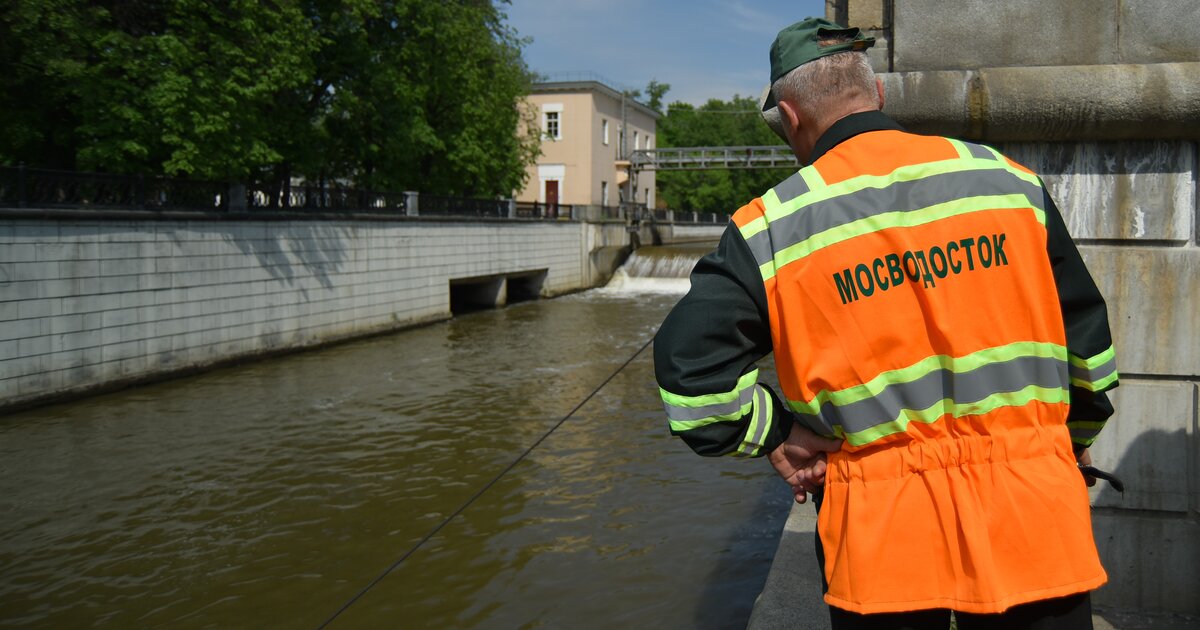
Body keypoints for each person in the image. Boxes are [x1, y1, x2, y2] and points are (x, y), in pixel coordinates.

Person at [653, 16, 1119, 630]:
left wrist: (775, 434)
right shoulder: (1008, 184)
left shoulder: (769, 228)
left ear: (791, 118)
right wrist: (1069, 444)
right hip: (1030, 510)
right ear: (876, 94)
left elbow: (693, 391)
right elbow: (1088, 348)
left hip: (880, 535)